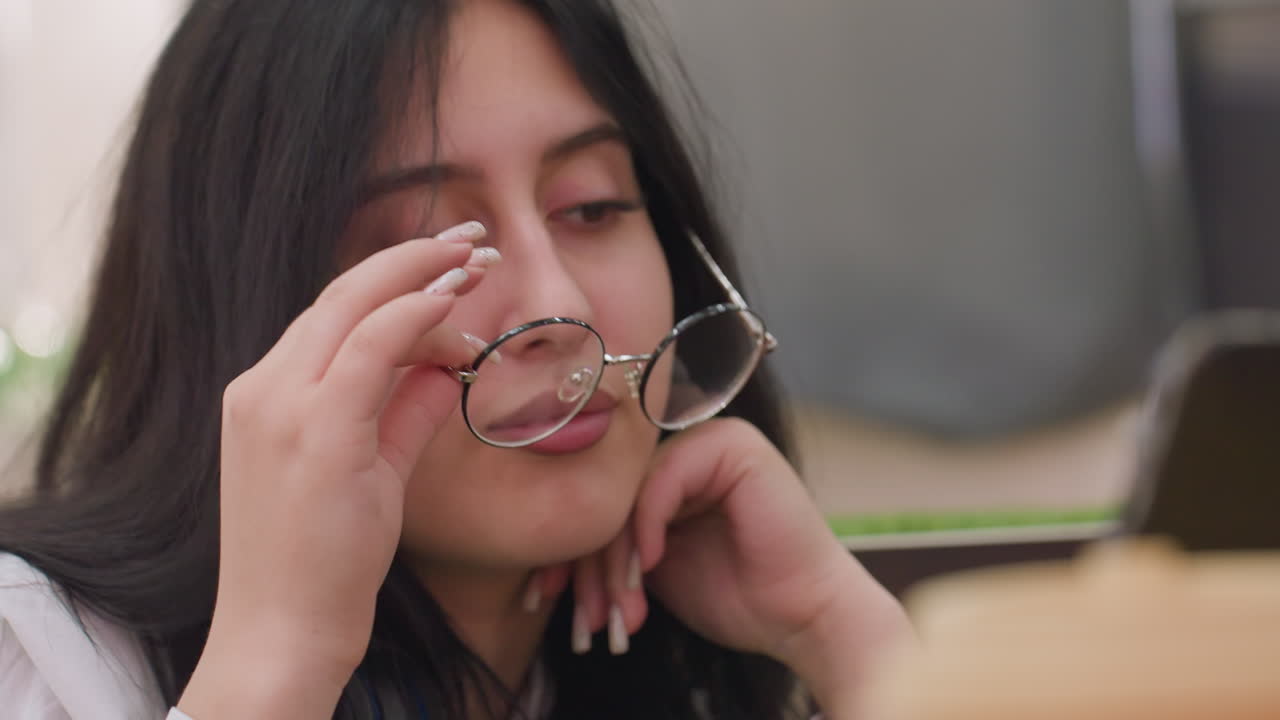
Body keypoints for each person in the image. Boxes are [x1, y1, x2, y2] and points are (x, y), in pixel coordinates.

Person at [0, 1, 910, 718]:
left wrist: (841, 634)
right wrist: (277, 659)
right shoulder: (36, 652)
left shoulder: (675, 664)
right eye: (441, 240)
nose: (562, 308)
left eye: (591, 208)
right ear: (241, 312)